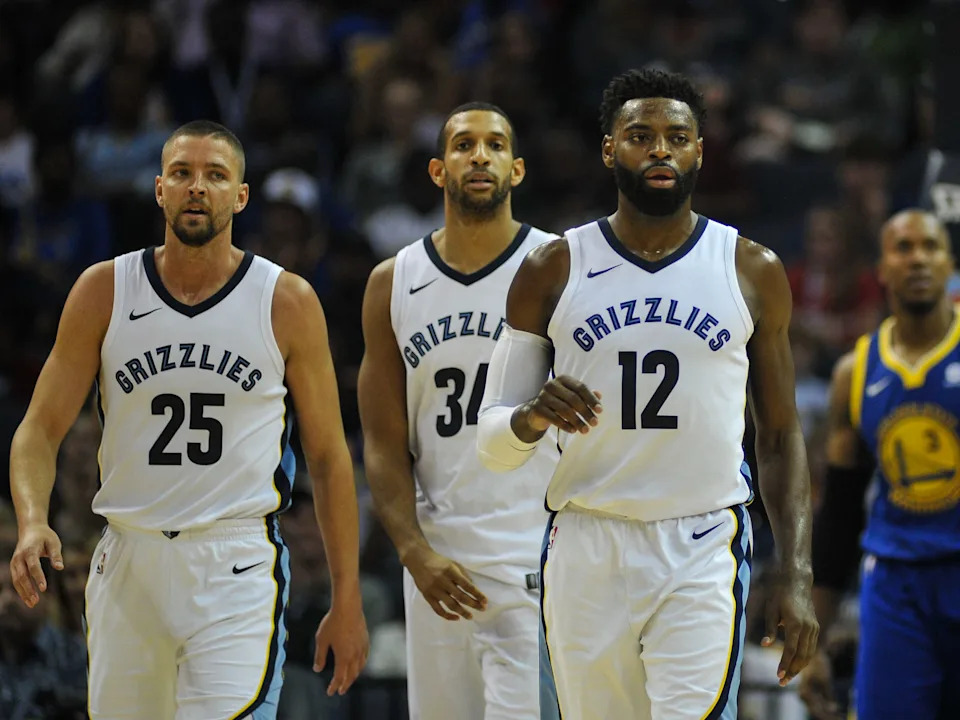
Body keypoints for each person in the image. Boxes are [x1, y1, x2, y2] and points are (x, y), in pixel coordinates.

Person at [476, 68, 819, 719]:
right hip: (584, 542)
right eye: (640, 135)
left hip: (700, 543)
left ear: (698, 150)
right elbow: (491, 444)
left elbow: (778, 436)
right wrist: (528, 418)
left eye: (676, 136)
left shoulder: (750, 269)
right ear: (609, 149)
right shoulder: (553, 267)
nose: (659, 149)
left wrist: (796, 571)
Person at [7, 120, 368, 719]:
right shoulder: (104, 290)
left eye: (215, 176)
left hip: (234, 563)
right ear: (159, 189)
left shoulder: (286, 301)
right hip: (127, 558)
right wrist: (31, 520)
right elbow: (38, 430)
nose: (197, 187)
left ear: (240, 196)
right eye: (182, 174)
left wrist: (347, 596)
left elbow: (329, 459)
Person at [358, 102, 560, 720]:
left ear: (517, 169)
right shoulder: (393, 282)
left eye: (495, 145)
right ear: (437, 170)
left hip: (534, 554)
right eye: (464, 145)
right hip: (437, 567)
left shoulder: (560, 266)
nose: (479, 155)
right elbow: (384, 444)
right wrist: (414, 552)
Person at [805, 209, 960, 720]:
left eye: (930, 247)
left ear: (950, 263)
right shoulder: (856, 371)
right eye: (903, 247)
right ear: (882, 269)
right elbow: (840, 515)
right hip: (896, 587)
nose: (918, 259)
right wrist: (816, 639)